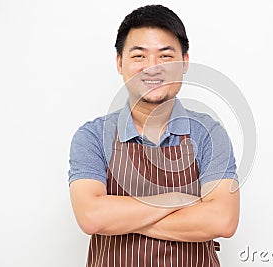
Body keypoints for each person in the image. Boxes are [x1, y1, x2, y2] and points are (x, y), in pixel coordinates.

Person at [68, 4, 240, 266]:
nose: (153, 68)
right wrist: (178, 200)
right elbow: (92, 217)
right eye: (139, 56)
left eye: (165, 56)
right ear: (119, 63)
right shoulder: (92, 136)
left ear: (184, 62)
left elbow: (223, 220)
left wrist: (120, 219)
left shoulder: (208, 133)